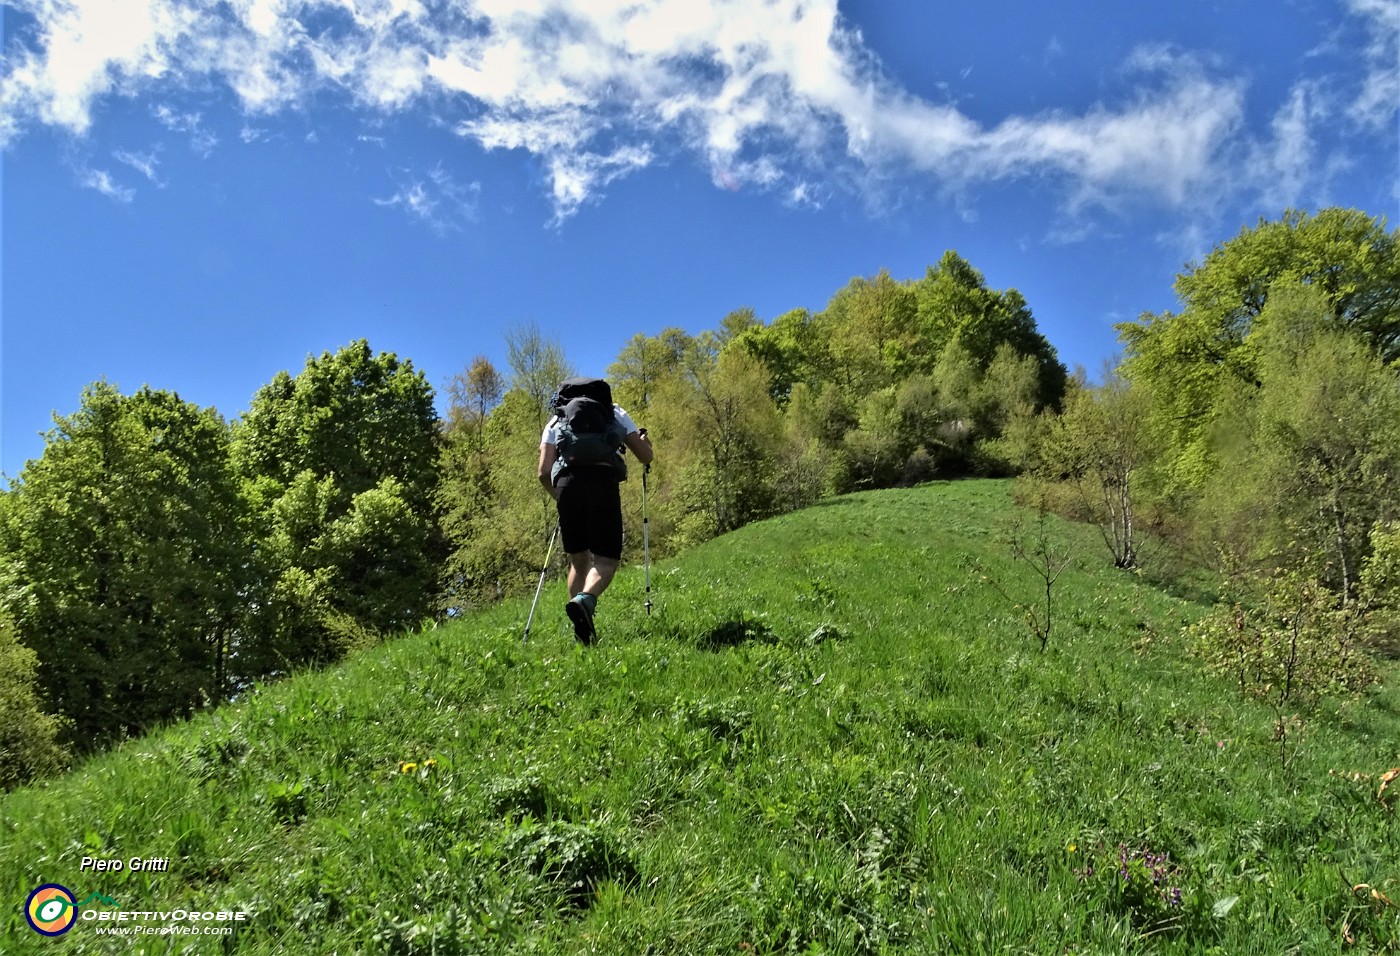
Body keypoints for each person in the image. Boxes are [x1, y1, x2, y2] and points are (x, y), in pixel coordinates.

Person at [538, 389, 653, 644]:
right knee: (606, 560)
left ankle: (582, 633)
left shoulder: (557, 420)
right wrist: (646, 442)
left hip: (567, 486)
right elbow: (645, 456)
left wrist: (559, 497)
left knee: (578, 562)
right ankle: (585, 601)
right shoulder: (614, 412)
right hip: (602, 482)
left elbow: (543, 472)